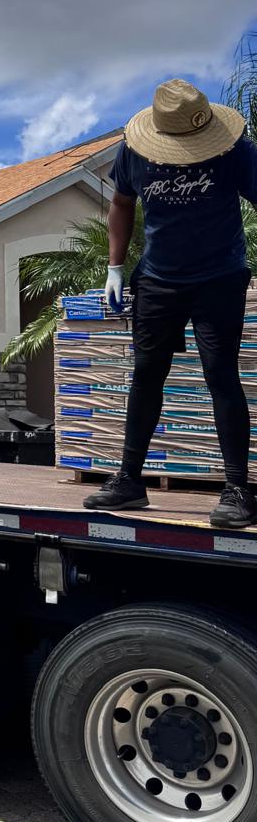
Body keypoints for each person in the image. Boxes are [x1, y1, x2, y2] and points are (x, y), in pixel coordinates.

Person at [84, 78, 257, 529]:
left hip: (220, 276)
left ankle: (238, 489)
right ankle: (129, 481)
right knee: (146, 374)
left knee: (221, 374)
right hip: (159, 279)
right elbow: (121, 204)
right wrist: (115, 268)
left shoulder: (235, 150)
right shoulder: (135, 152)